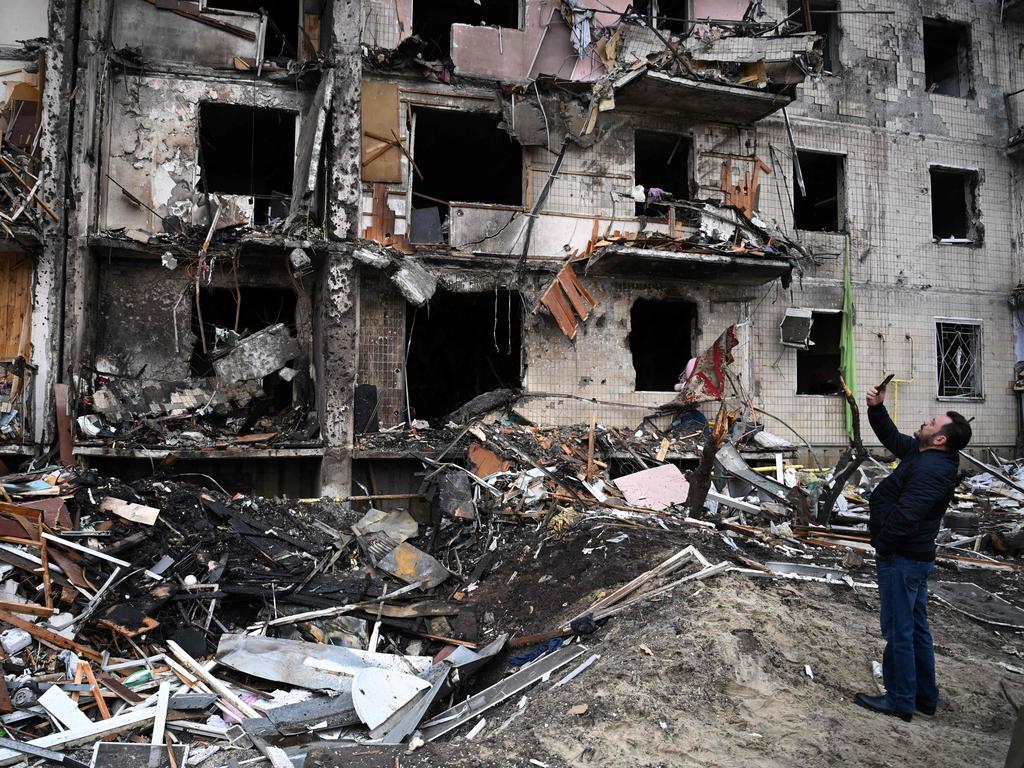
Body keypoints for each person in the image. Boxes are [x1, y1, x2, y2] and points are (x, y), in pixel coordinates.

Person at [853, 384, 972, 722]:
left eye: (932, 422)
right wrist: (877, 408)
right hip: (910, 558)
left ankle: (901, 699)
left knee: (899, 629)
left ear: (940, 439)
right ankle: (924, 696)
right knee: (916, 627)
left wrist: (883, 544)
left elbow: (907, 516)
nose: (925, 421)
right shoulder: (924, 455)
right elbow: (893, 439)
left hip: (903, 559)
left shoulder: (933, 470)